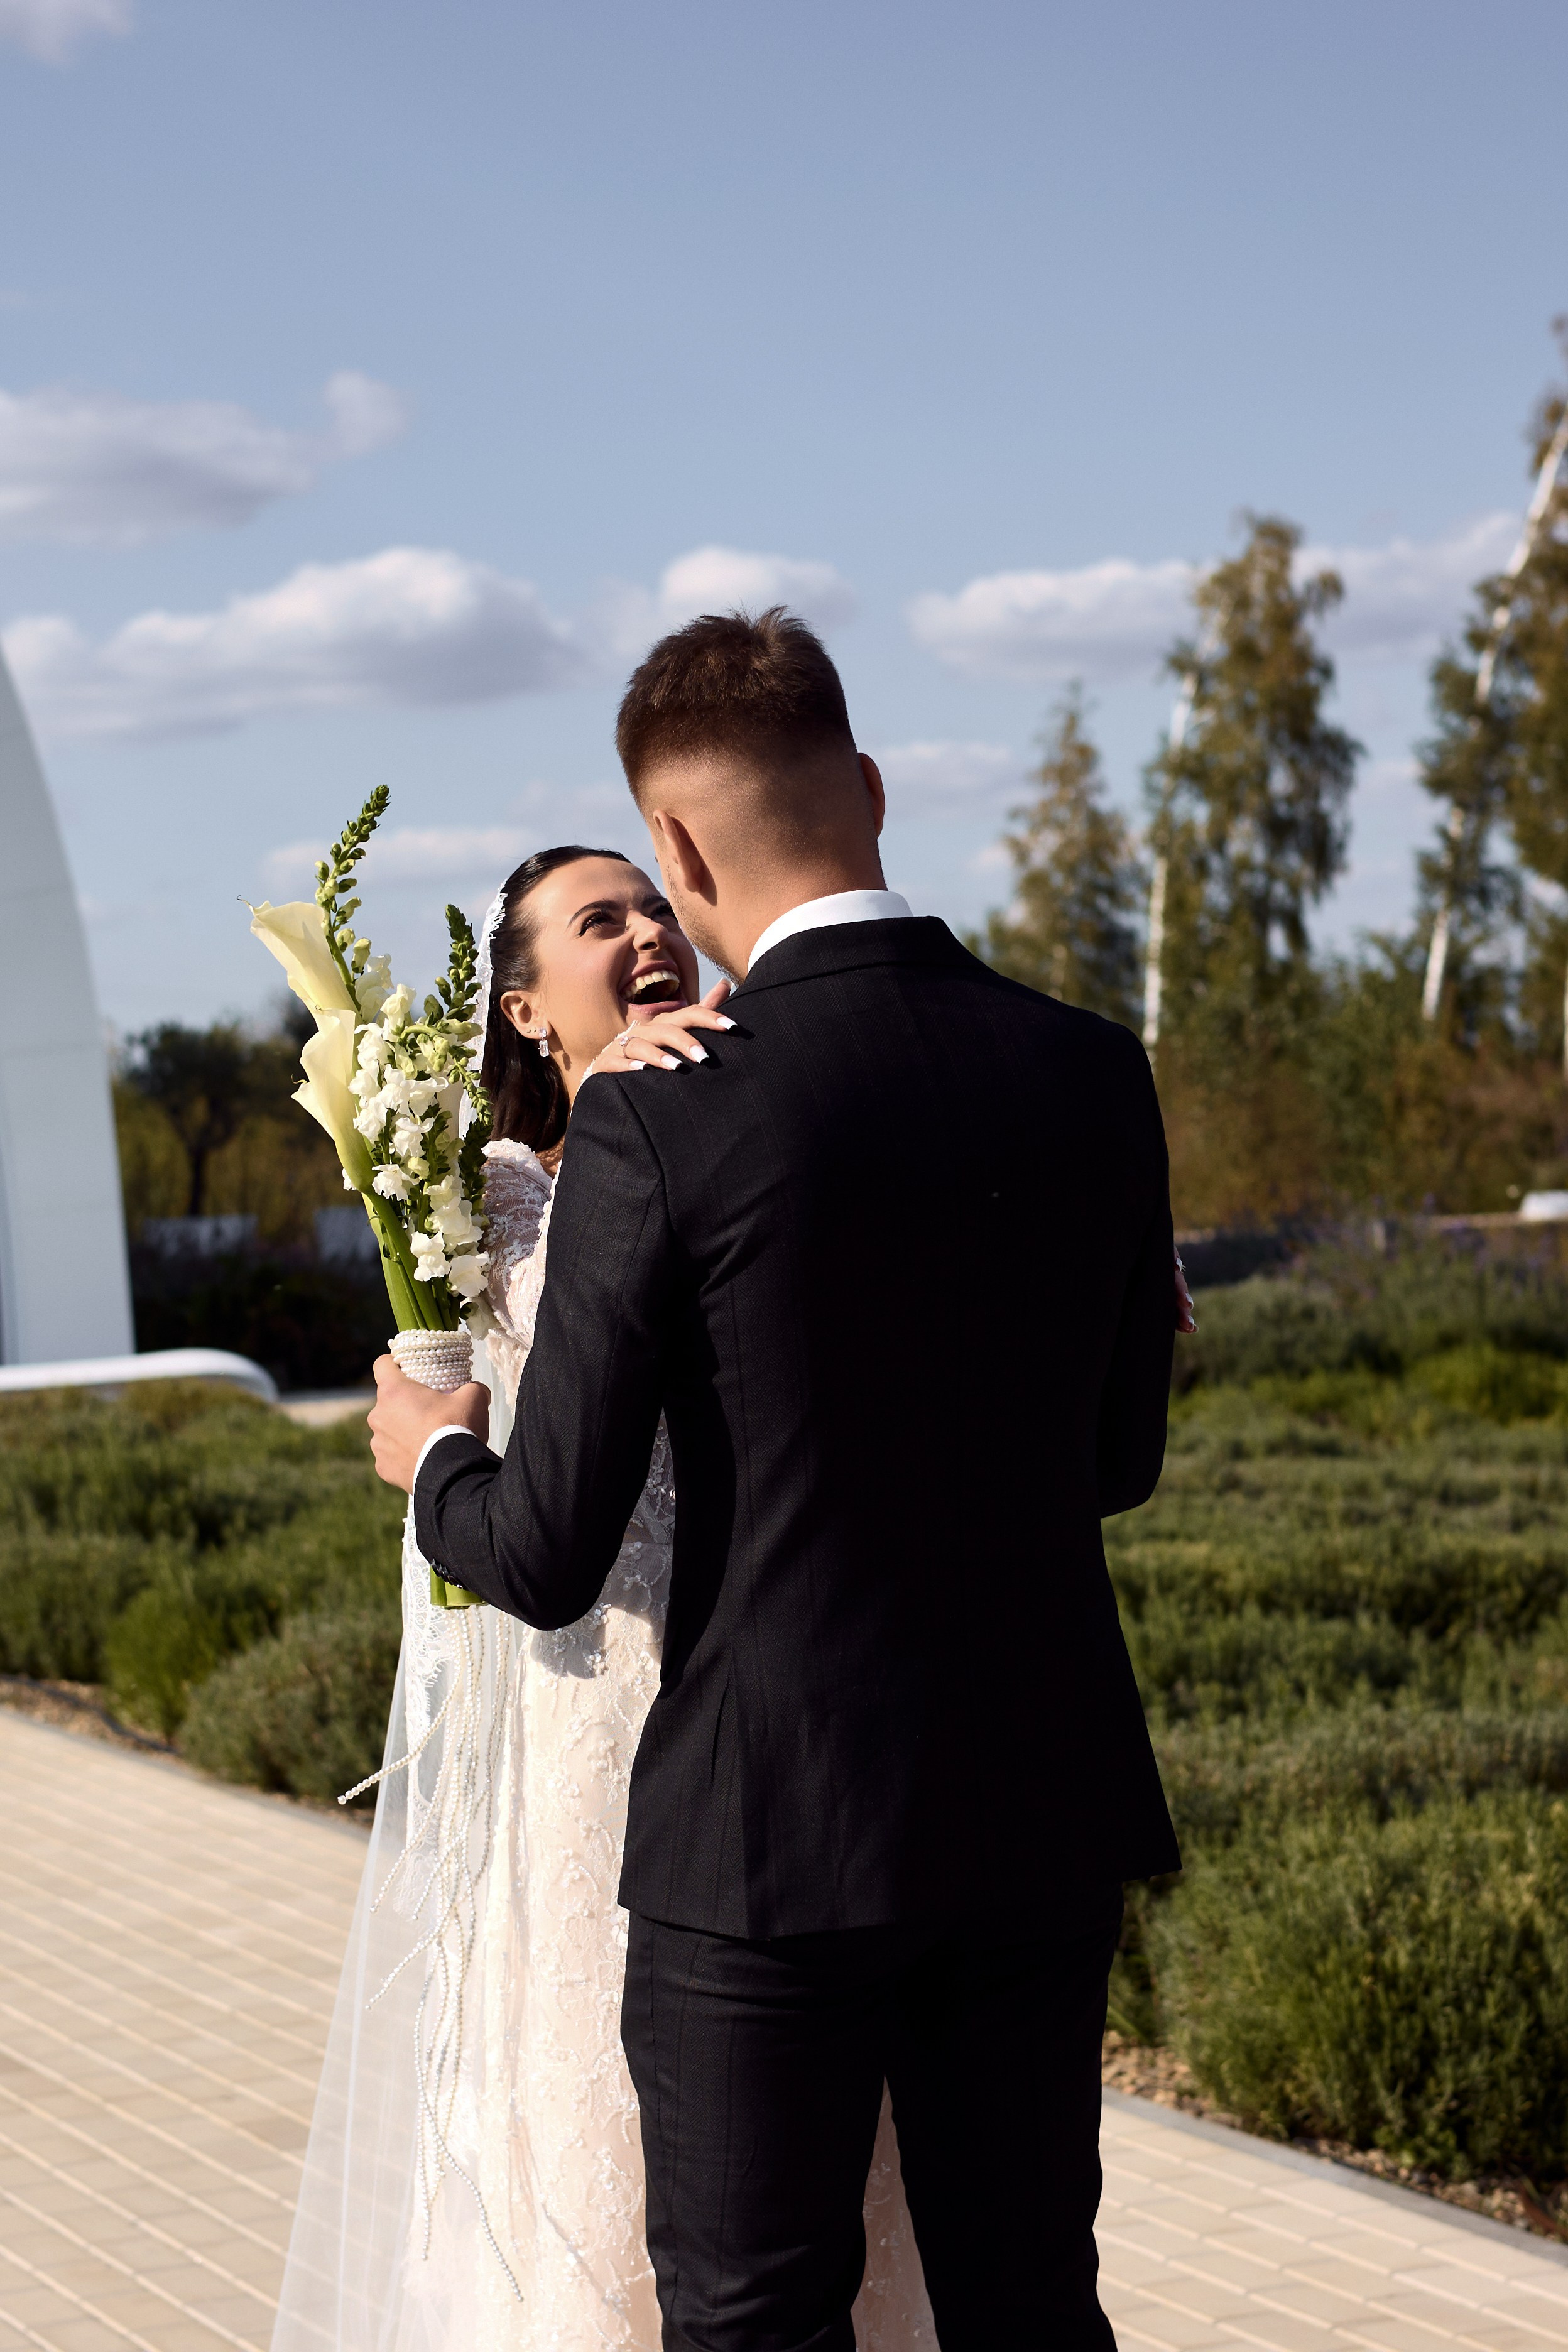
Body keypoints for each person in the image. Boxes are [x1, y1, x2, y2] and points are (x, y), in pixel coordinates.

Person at [369, 608, 1181, 2351]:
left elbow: (547, 1547)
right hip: (1036, 1811)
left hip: (768, 1838)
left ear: (677, 847)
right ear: (871, 787)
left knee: (757, 2325)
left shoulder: (669, 1112)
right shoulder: (1093, 1068)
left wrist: (434, 1460)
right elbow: (1117, 1460)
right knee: (1032, 2307)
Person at [272, 841, 934, 2352]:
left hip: (768, 1699)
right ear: (521, 1008)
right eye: (598, 920)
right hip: (585, 1715)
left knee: (808, 2167)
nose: (647, 932)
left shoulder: (764, 1130)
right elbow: (475, 1391)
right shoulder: (490, 1190)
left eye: (653, 906)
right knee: (600, 2124)